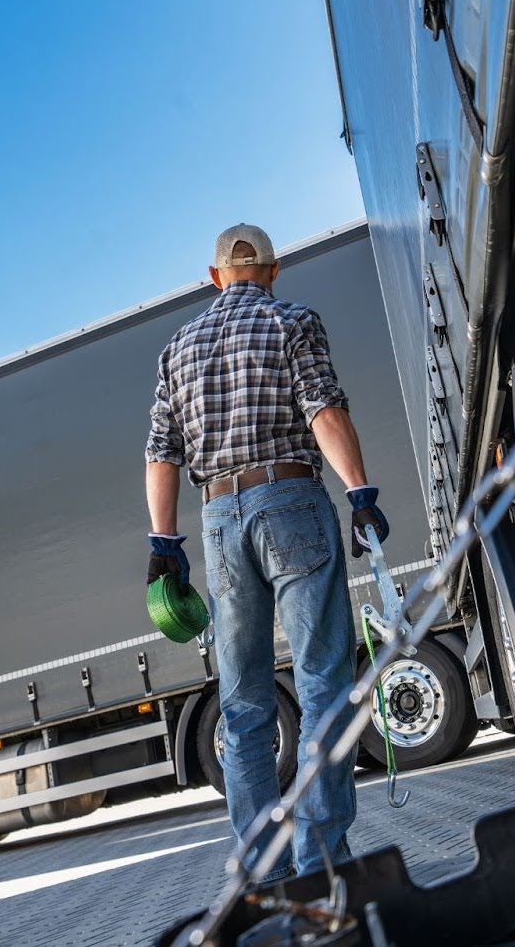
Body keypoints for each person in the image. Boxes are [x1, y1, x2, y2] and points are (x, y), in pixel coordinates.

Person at [143, 222, 390, 882]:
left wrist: (164, 543)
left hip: (219, 516)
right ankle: (322, 864)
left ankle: (266, 874)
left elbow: (161, 453)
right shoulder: (292, 320)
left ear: (215, 276)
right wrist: (360, 492)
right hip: (292, 502)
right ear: (274, 272)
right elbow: (323, 410)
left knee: (244, 704)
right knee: (321, 686)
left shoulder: (177, 347)